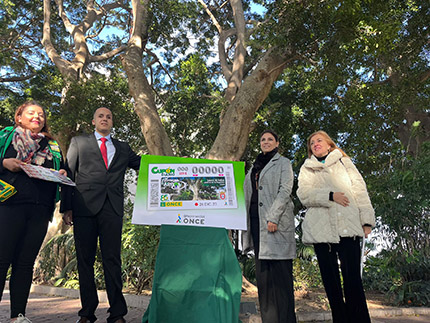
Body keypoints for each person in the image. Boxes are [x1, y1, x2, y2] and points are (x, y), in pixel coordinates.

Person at [63, 107, 141, 323]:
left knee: (113, 259)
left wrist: (174, 166)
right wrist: (66, 207)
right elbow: (68, 173)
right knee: (84, 261)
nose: (105, 119)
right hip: (83, 208)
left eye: (109, 116)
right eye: (101, 116)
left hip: (112, 209)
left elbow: (145, 165)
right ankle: (87, 312)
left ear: (112, 122)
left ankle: (117, 313)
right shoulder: (79, 142)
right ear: (93, 121)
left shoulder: (123, 148)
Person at [0, 101, 71, 323]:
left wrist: (61, 171)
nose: (37, 117)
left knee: (25, 263)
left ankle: (18, 316)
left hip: (41, 209)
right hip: (8, 205)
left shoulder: (52, 145)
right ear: (19, 117)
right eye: (31, 113)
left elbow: (66, 172)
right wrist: (4, 163)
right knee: (2, 259)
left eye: (41, 114)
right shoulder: (5, 136)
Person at [297, 130, 375, 323]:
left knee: (353, 282)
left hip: (348, 227)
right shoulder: (307, 168)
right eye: (312, 142)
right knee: (331, 284)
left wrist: (367, 221)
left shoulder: (344, 162)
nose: (315, 143)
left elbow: (360, 190)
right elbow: (303, 194)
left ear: (329, 144)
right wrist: (330, 195)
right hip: (321, 232)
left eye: (319, 140)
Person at [242, 130, 296, 323]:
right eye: (263, 139)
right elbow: (245, 195)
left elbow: (285, 190)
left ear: (277, 143)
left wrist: (273, 217)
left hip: (276, 225)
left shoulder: (283, 163)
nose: (265, 142)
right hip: (256, 225)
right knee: (263, 279)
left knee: (281, 278)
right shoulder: (253, 169)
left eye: (270, 139)